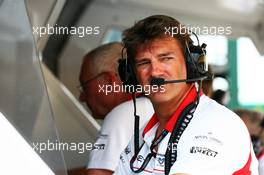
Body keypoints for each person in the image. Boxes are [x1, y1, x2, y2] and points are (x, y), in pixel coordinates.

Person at [114, 15, 258, 175]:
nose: (155, 72)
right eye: (144, 63)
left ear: (191, 64)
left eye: (166, 58)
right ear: (131, 75)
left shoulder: (217, 125)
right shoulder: (145, 135)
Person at [78, 42, 154, 175]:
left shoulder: (121, 115)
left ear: (109, 81)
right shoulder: (154, 107)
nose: (82, 97)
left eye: (85, 86)